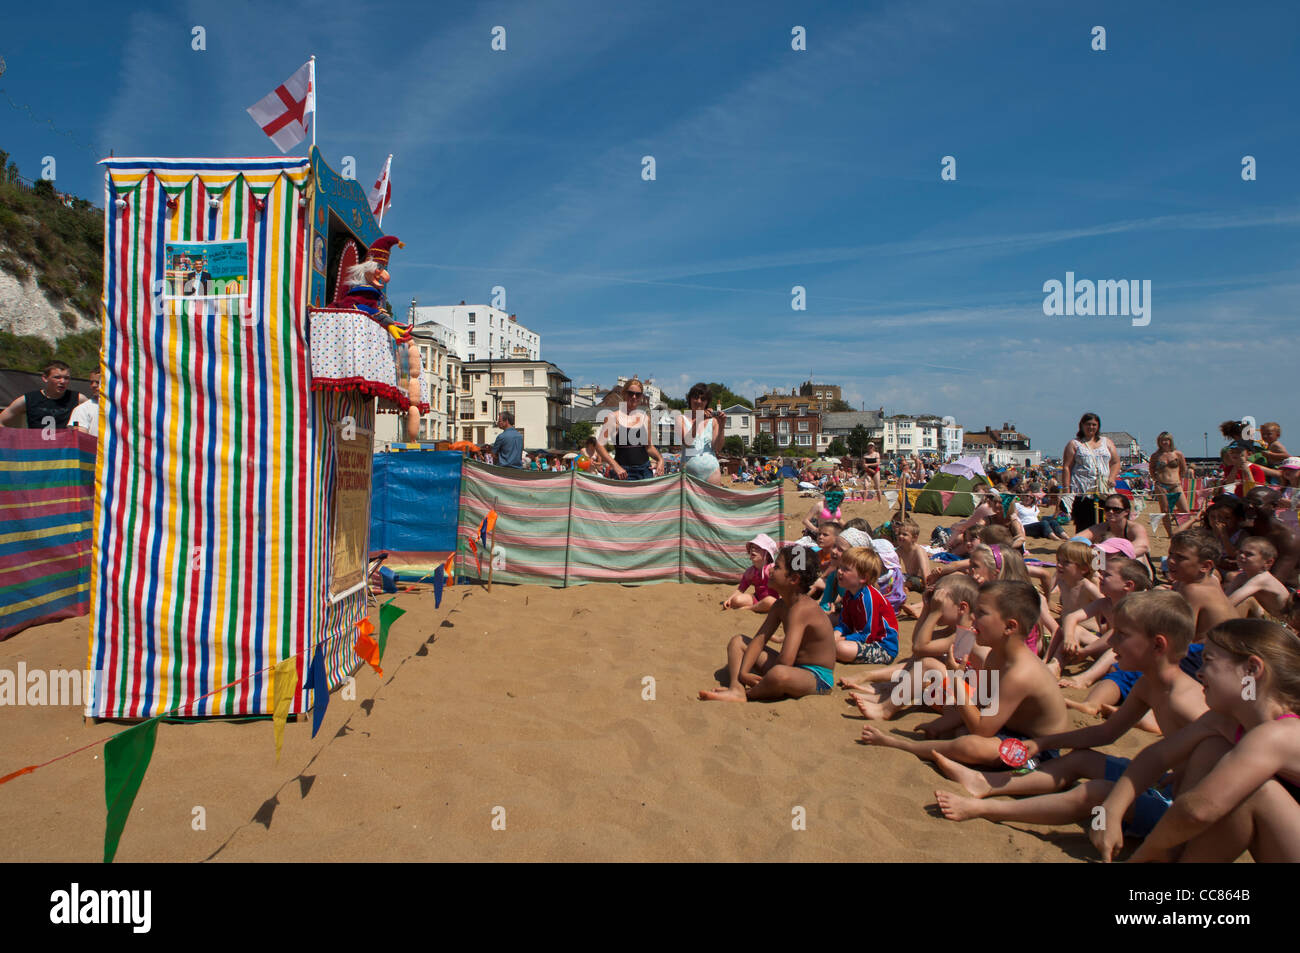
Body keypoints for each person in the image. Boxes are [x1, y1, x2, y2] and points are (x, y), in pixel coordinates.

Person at [933, 591, 1208, 838]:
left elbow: (1224, 767)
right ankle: (988, 784)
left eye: (1121, 635)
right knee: (1080, 759)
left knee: (1096, 792)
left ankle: (986, 808)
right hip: (1167, 784)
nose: (1111, 643)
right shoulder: (1149, 684)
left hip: (1183, 810)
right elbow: (1106, 732)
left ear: (1158, 646)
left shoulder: (1185, 702)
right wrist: (1043, 743)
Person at [1096, 619, 1300, 862]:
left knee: (1251, 792)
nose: (1199, 671)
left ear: (1251, 670)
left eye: (1209, 660)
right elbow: (1157, 756)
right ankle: (1175, 854)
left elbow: (1198, 810)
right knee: (1211, 750)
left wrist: (1147, 851)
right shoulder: (1225, 721)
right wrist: (1112, 808)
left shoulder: (1281, 734)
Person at [859, 580, 1072, 766]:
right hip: (1007, 731)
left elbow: (981, 730)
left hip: (1040, 751)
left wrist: (955, 678)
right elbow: (980, 705)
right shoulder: (995, 657)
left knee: (970, 745)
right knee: (958, 732)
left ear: (1009, 627)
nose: (973, 617)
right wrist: (939, 724)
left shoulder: (1020, 673)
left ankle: (902, 745)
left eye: (981, 613)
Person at [700, 545, 838, 702]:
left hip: (817, 677)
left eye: (777, 567)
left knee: (778, 674)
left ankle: (749, 694)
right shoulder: (780, 605)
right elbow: (759, 640)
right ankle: (736, 688)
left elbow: (785, 660)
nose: (770, 570)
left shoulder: (802, 609)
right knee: (737, 642)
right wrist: (743, 673)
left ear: (793, 579)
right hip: (793, 668)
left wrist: (767, 678)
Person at [832, 546, 900, 664]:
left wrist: (842, 639)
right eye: (840, 567)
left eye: (846, 569)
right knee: (828, 624)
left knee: (840, 648)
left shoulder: (869, 598)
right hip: (860, 636)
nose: (839, 571)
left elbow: (868, 635)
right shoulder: (849, 594)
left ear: (863, 578)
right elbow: (845, 623)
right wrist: (835, 635)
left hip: (882, 647)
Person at [592, 378, 664, 480]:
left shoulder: (645, 418)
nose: (634, 397)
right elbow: (599, 446)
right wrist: (615, 466)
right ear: (624, 394)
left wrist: (660, 459)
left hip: (645, 470)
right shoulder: (613, 417)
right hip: (623, 471)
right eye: (631, 393)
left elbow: (649, 447)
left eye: (638, 394)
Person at [1061, 413, 1120, 532]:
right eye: (1088, 424)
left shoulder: (1106, 442)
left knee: (1107, 522)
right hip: (1082, 490)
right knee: (1084, 523)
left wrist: (1112, 478)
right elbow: (1067, 466)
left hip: (1103, 489)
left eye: (1094, 424)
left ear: (1098, 426)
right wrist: (1066, 488)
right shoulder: (1074, 444)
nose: (1091, 427)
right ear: (1082, 425)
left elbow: (1115, 462)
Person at [0, 361, 90, 430]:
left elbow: (96, 418)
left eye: (66, 378)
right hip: (38, 451)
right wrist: (11, 438)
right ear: (45, 378)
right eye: (57, 377)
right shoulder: (29, 399)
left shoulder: (78, 398)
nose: (62, 381)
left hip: (65, 451)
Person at [1241, 487, 1300, 588]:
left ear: (1273, 506)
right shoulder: (1248, 528)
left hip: (1284, 590)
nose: (1250, 506)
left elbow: (1277, 581)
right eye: (1247, 502)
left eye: (1256, 503)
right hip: (1252, 582)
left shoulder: (1288, 537)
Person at [1224, 537, 1292, 619]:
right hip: (1268, 620)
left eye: (1249, 554)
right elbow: (1225, 600)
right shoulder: (1241, 577)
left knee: (1247, 601)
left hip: (1284, 624)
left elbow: (1230, 603)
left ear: (1268, 562)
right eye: (1240, 552)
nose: (1242, 556)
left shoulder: (1262, 579)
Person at [1074, 493, 1151, 560]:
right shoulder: (1101, 527)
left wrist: (1113, 555)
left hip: (1131, 566)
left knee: (1139, 557)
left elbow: (1143, 546)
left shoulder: (1135, 528)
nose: (1111, 512)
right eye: (1107, 509)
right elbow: (1076, 539)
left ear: (1126, 512)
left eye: (1116, 509)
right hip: (1108, 566)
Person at [678, 383, 726, 486]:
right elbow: (687, 442)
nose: (699, 401)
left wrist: (722, 426)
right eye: (695, 397)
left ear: (707, 402)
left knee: (712, 502)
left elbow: (717, 447)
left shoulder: (713, 421)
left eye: (703, 399)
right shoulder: (681, 418)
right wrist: (699, 420)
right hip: (688, 474)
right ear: (689, 399)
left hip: (712, 472)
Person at [721, 533, 779, 613]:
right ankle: (757, 607)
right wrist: (729, 600)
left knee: (769, 601)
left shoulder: (772, 569)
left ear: (767, 555)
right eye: (752, 547)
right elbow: (740, 589)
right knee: (736, 600)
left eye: (758, 548)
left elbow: (783, 586)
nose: (753, 550)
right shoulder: (750, 572)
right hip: (757, 599)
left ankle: (749, 608)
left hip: (773, 601)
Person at [1148, 432, 1190, 536]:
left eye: (1166, 440)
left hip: (1175, 484)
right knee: (1165, 511)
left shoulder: (1177, 454)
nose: (1164, 442)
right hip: (1161, 485)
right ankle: (1170, 534)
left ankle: (1184, 531)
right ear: (1159, 442)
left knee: (1184, 510)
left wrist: (1178, 479)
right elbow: (1151, 468)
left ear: (1170, 441)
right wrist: (1155, 480)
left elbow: (1184, 468)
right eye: (1162, 440)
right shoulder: (1156, 455)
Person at [67, 370, 100, 437]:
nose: (93, 385)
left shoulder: (124, 406)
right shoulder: (82, 409)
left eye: (98, 382)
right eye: (91, 382)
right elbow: (80, 438)